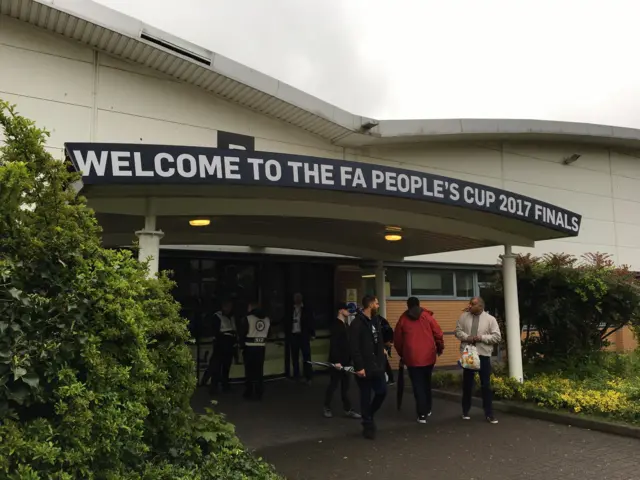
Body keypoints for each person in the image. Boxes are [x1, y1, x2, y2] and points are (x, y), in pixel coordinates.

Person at [394, 297, 445, 423]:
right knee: (426, 382)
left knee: (417, 385)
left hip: (411, 358)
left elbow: (398, 340)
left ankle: (422, 414)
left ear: (408, 306)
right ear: (418, 304)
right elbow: (438, 333)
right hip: (428, 356)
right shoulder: (427, 316)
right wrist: (439, 347)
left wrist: (403, 354)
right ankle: (427, 408)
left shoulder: (403, 319)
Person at [455, 296, 501, 424]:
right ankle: (465, 411)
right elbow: (458, 332)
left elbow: (497, 337)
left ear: (480, 306)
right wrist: (468, 337)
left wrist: (481, 338)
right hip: (468, 354)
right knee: (467, 384)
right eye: (469, 303)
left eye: (472, 304)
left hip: (483, 355)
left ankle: (489, 413)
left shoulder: (490, 320)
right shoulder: (464, 317)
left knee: (485, 384)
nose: (469, 306)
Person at [349, 294, 387, 440]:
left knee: (382, 392)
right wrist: (359, 366)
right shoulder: (357, 323)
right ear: (370, 305)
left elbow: (379, 340)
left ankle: (369, 414)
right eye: (376, 303)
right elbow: (354, 347)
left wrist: (382, 357)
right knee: (365, 395)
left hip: (376, 365)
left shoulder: (376, 321)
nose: (378, 306)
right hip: (364, 366)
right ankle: (368, 425)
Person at [324, 302, 362, 420]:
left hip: (346, 361)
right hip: (338, 362)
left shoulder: (345, 324)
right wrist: (336, 361)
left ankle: (347, 409)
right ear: (340, 311)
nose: (348, 311)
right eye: (346, 309)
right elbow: (334, 344)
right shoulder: (336, 325)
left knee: (345, 387)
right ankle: (327, 407)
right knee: (333, 385)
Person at [238, 300, 271, 401]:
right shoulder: (267, 319)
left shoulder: (248, 318)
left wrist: (241, 345)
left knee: (249, 371)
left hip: (249, 347)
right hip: (261, 347)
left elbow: (242, 333)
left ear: (251, 307)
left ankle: (248, 392)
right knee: (259, 371)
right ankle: (259, 392)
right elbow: (268, 334)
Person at [204, 299, 237, 394]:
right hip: (221, 343)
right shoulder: (217, 316)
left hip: (229, 343)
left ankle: (225, 385)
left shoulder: (231, 317)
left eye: (230, 307)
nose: (229, 309)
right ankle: (214, 387)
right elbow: (215, 331)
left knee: (226, 366)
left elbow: (234, 329)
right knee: (217, 366)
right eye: (228, 306)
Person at [284, 293, 314, 384]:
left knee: (306, 356)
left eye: (298, 298)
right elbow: (287, 320)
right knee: (294, 357)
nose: (297, 300)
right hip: (294, 334)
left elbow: (310, 321)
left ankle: (308, 376)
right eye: (295, 298)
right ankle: (296, 375)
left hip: (303, 335)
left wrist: (312, 333)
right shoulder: (291, 309)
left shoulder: (306, 309)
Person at [378, 315, 395, 385]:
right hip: (384, 343)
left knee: (383, 361)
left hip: (383, 343)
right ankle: (390, 379)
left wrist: (387, 342)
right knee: (384, 361)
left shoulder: (379, 321)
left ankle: (390, 379)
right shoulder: (381, 320)